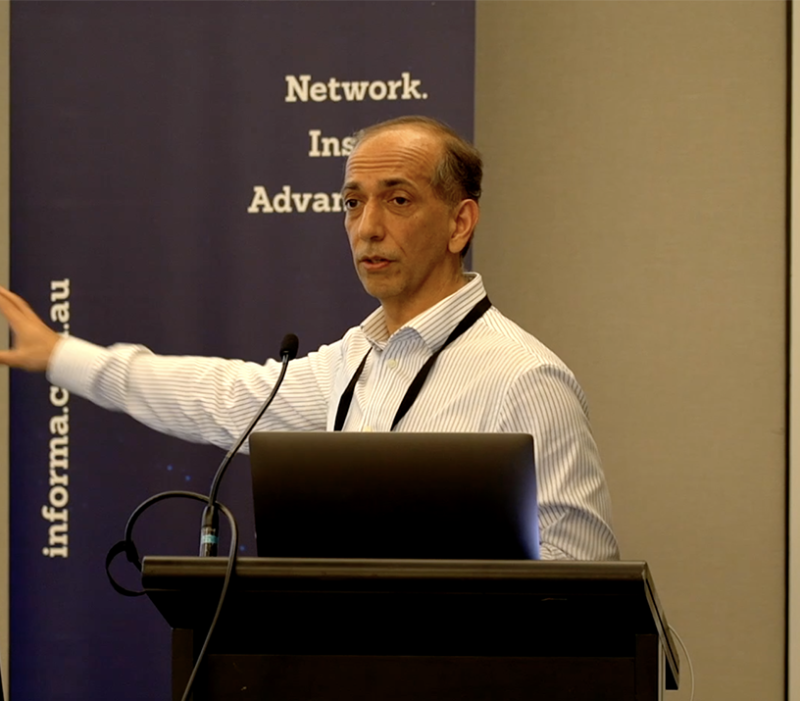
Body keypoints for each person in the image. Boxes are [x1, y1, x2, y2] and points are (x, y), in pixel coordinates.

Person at [0, 115, 618, 561]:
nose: (368, 228)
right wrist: (60, 355)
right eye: (353, 203)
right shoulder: (355, 362)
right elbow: (221, 398)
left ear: (460, 222)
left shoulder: (524, 379)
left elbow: (581, 578)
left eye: (398, 200)